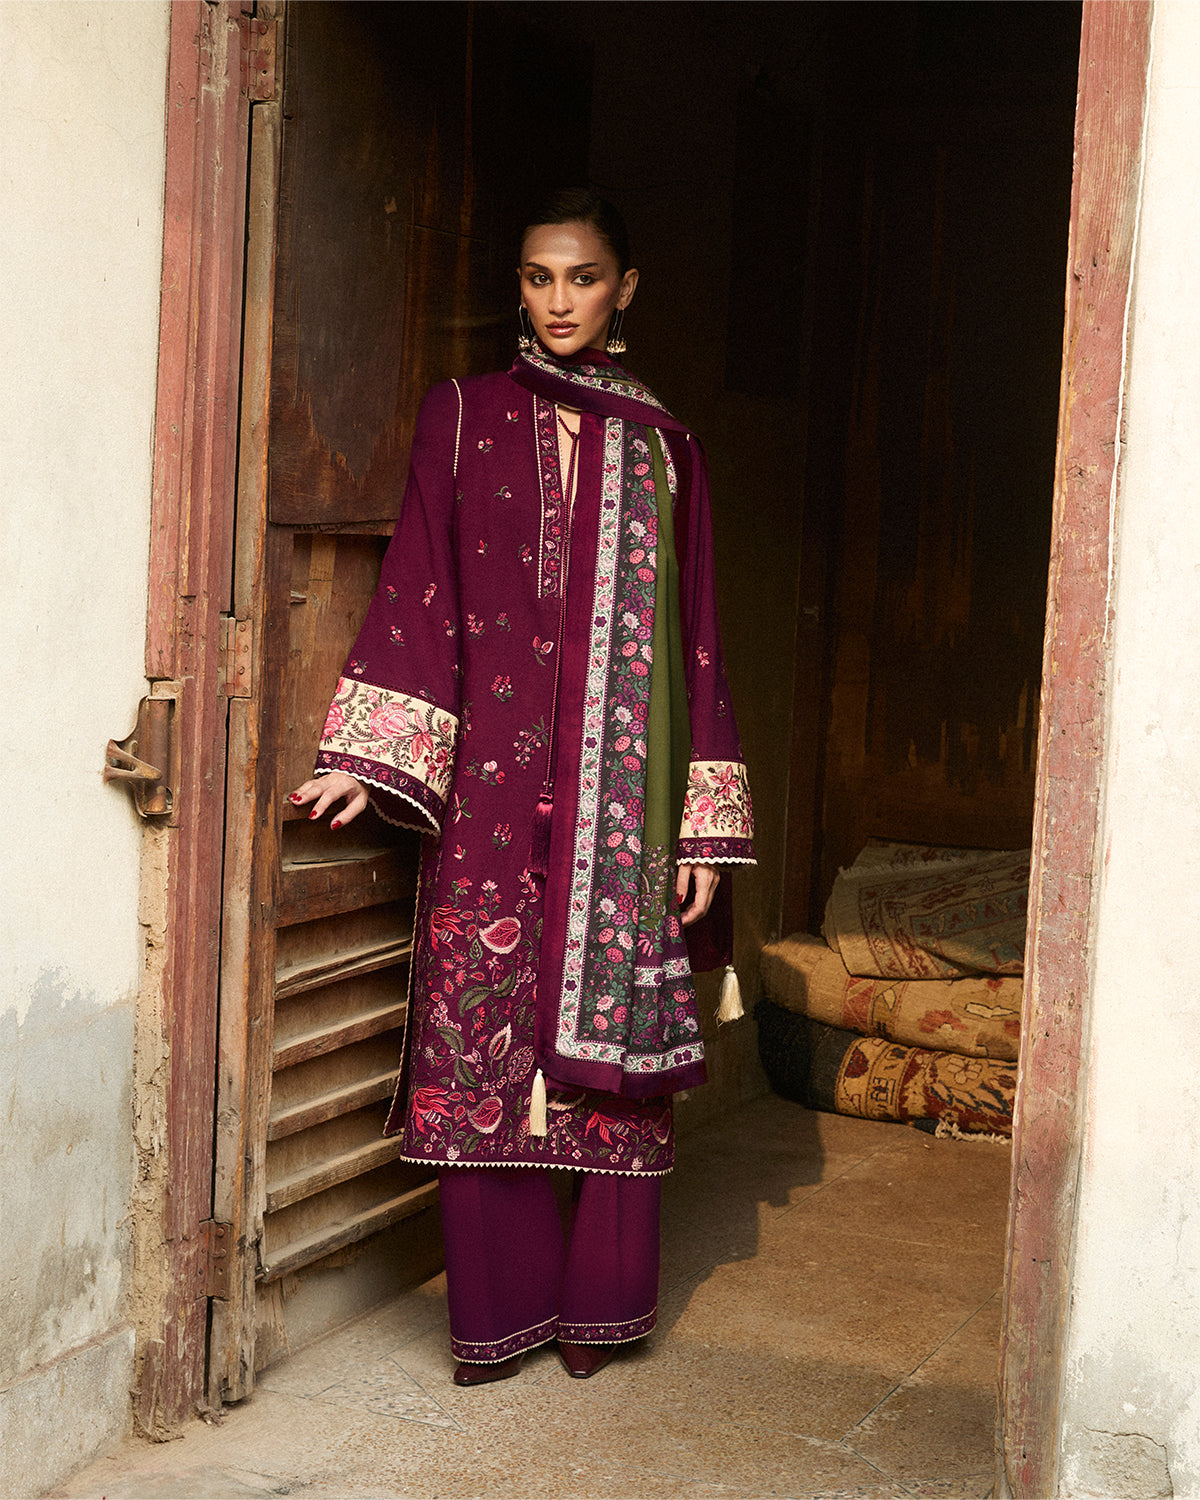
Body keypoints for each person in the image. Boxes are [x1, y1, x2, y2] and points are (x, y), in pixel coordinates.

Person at [289, 189, 755, 1386]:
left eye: (583, 277)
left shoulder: (666, 446)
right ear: (518, 284)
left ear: (625, 287)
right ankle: (497, 1318)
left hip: (626, 805)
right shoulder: (461, 415)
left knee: (616, 1064)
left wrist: (701, 825)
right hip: (493, 796)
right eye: (540, 277)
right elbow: (419, 585)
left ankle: (599, 1314)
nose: (559, 301)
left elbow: (698, 639)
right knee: (479, 1034)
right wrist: (367, 754)